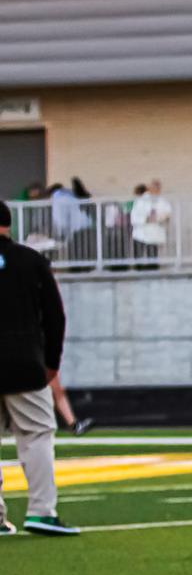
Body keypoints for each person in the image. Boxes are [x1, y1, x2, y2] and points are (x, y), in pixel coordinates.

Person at [0, 200, 78, 536]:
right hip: (22, 362)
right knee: (36, 435)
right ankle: (41, 511)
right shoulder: (31, 260)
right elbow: (55, 316)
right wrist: (51, 362)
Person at [130, 180, 170, 271]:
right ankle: (138, 270)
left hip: (154, 232)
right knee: (139, 257)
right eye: (153, 188)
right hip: (141, 232)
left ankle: (153, 271)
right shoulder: (141, 200)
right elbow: (134, 216)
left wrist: (160, 217)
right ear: (150, 188)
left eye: (157, 188)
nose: (156, 190)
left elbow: (167, 213)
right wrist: (146, 219)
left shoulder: (161, 200)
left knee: (152, 258)